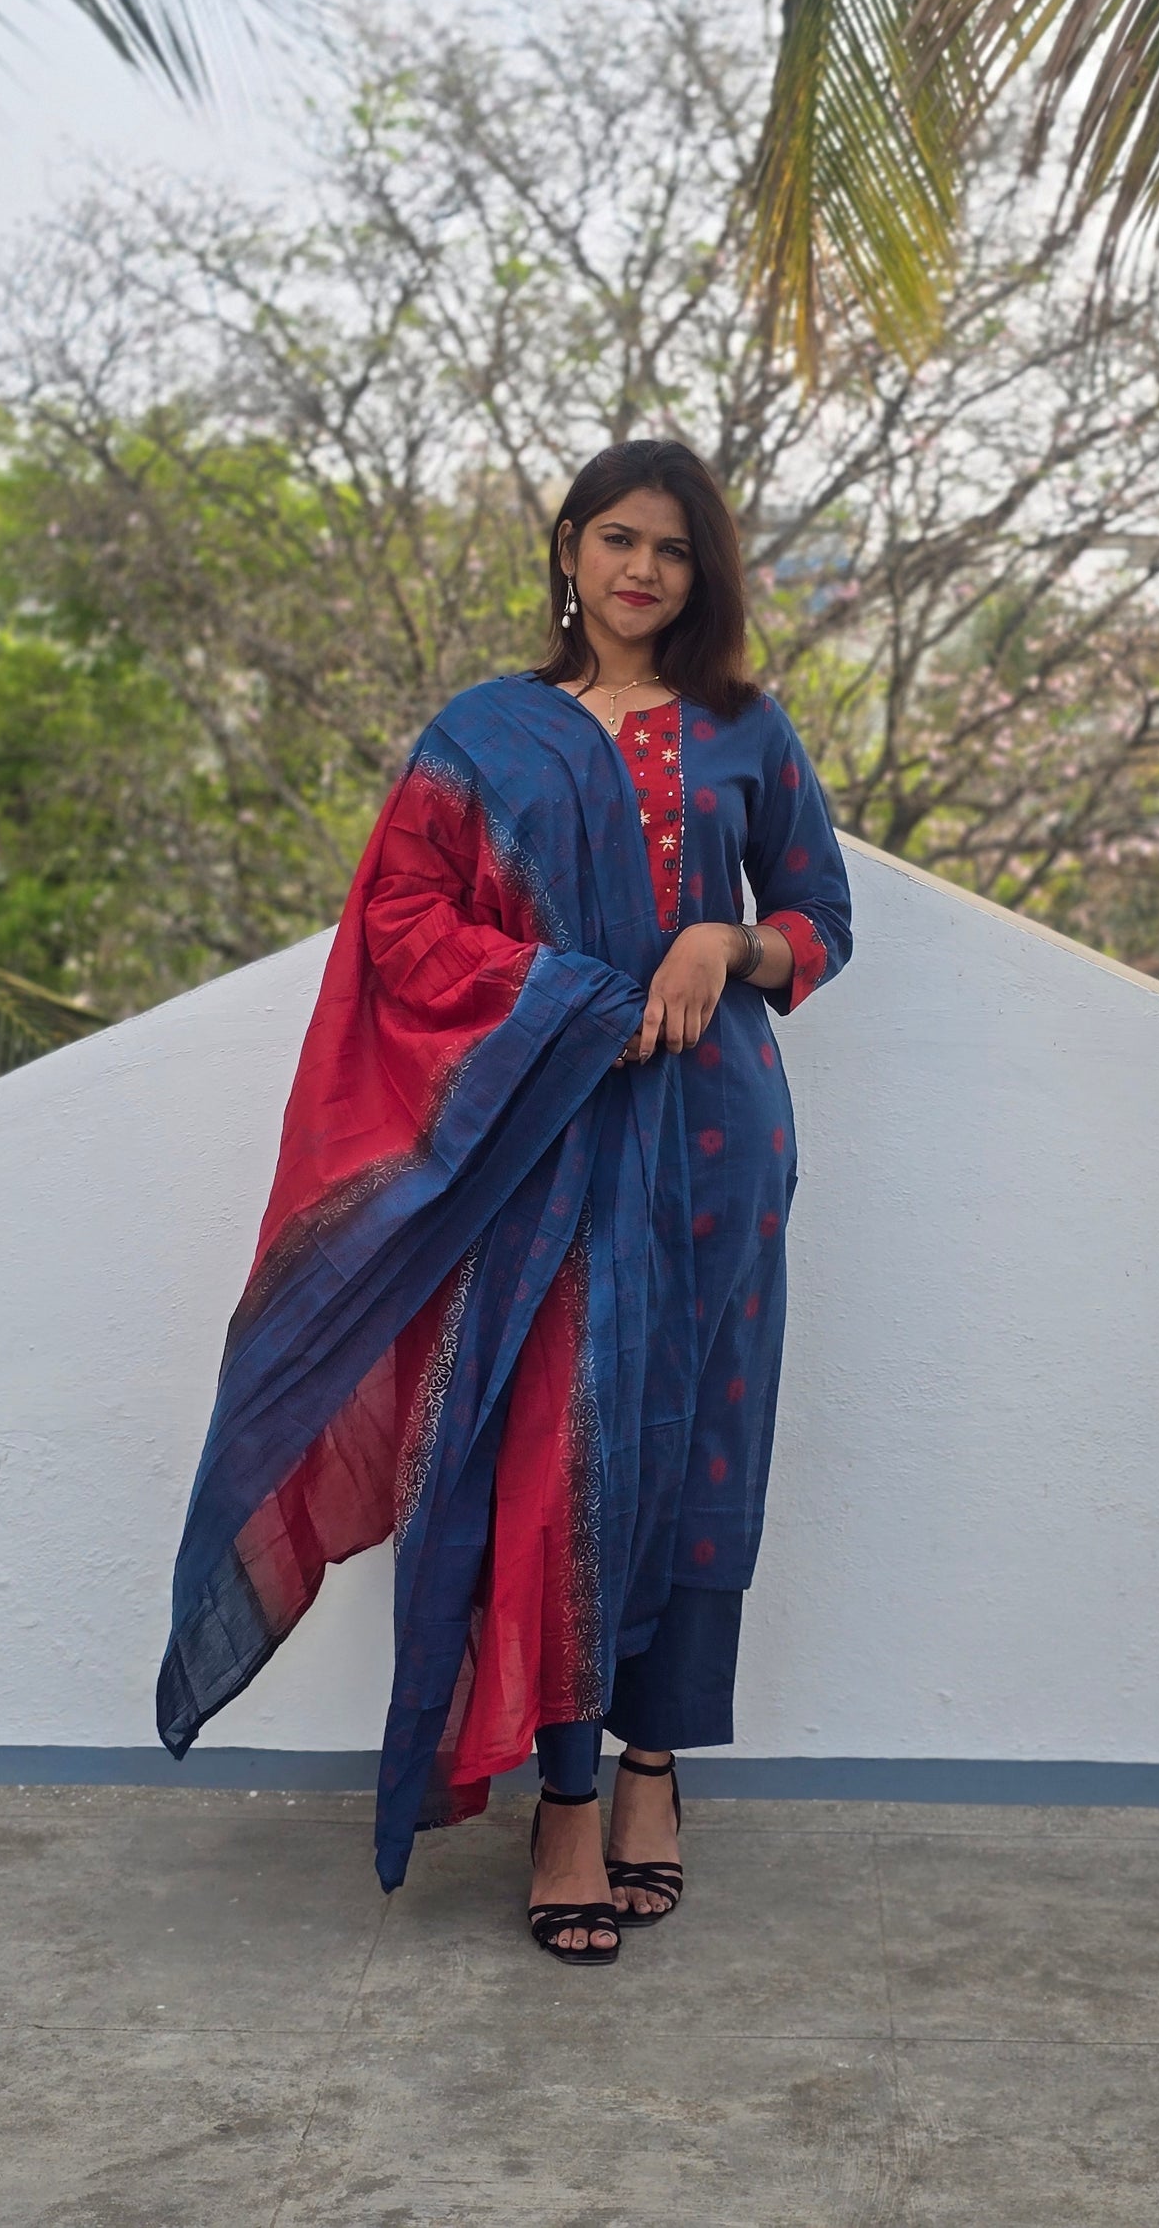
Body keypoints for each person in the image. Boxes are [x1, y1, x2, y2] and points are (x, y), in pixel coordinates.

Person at [158, 438, 852, 1964]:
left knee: (696, 1451)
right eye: (616, 540)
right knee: (556, 1457)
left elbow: (819, 918)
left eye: (671, 551)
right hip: (540, 1147)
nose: (640, 573)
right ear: (567, 552)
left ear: (701, 574)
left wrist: (718, 950)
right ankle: (560, 1796)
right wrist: (568, 994)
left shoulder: (746, 732)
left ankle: (653, 1771)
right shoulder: (483, 738)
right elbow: (401, 923)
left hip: (719, 1145)